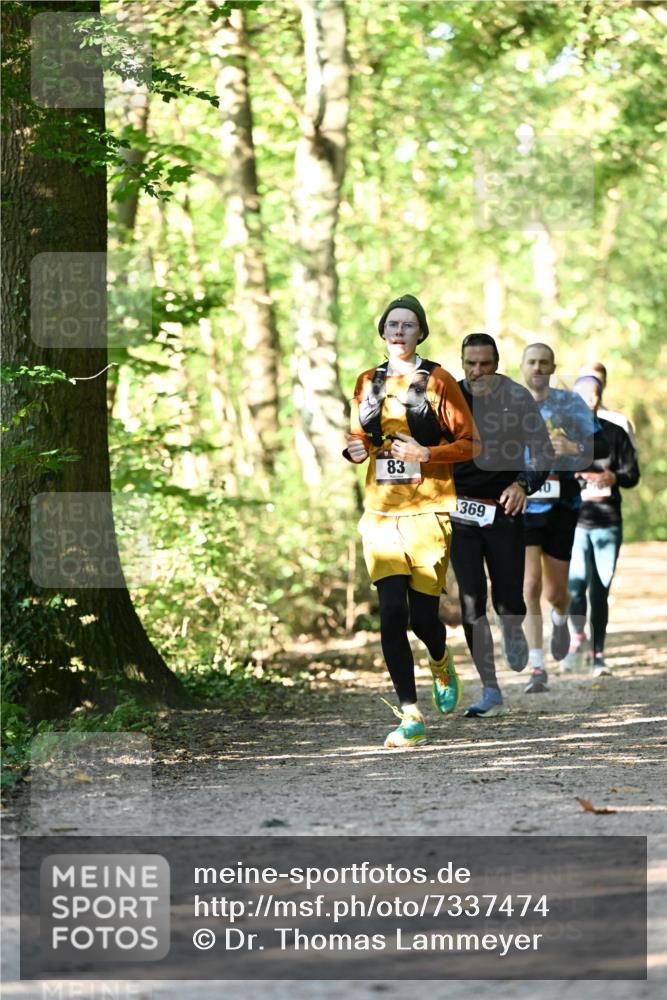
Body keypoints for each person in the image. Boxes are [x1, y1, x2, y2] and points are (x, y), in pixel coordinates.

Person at [344, 294, 478, 747]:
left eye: (408, 325)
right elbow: (360, 436)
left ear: (421, 332)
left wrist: (426, 453)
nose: (399, 332)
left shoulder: (439, 381)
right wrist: (355, 449)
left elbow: (470, 443)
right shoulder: (367, 381)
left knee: (422, 618)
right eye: (392, 325)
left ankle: (440, 660)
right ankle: (410, 714)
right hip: (381, 512)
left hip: (429, 510)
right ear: (383, 332)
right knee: (391, 612)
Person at [450, 333, 553, 717]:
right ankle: (490, 689)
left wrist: (523, 484)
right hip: (459, 514)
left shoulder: (516, 397)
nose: (477, 371)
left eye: (485, 364)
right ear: (462, 363)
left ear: (496, 363)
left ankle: (512, 626)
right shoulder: (448, 398)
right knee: (471, 600)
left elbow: (542, 451)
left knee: (509, 598)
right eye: (470, 364)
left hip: (504, 511)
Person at [520, 344, 609, 693]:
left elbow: (601, 447)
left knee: (556, 592)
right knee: (529, 586)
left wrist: (574, 448)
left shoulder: (570, 403)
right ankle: (537, 667)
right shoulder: (508, 404)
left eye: (544, 362)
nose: (538, 368)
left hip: (562, 505)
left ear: (553, 367)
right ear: (522, 366)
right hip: (523, 505)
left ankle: (560, 619)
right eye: (532, 362)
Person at [564, 375, 640, 675]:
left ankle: (598, 655)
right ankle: (576, 640)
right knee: (575, 587)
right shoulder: (561, 436)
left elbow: (633, 475)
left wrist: (614, 477)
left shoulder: (615, 434)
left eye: (593, 395)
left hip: (607, 522)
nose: (587, 401)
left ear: (599, 398)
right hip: (573, 523)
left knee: (599, 590)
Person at [577, 362, 637, 447]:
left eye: (597, 382)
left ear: (604, 384)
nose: (591, 387)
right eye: (585, 381)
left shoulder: (619, 421)